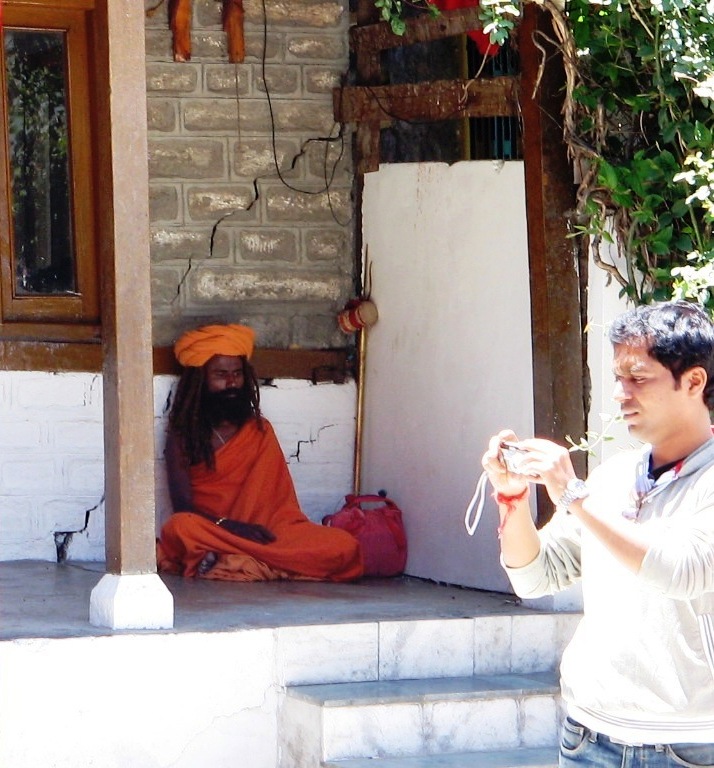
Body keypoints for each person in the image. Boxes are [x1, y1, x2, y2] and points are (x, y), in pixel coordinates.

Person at [481, 300, 714, 768]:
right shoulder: (612, 477)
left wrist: (572, 494)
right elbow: (535, 578)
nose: (621, 394)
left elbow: (682, 571)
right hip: (587, 736)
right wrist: (511, 500)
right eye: (618, 379)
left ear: (693, 381)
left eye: (638, 378)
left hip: (688, 745)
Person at [157, 323, 364, 582]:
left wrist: (253, 532)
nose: (231, 383)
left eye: (237, 374)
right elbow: (183, 509)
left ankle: (234, 560)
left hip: (266, 534)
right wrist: (231, 526)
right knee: (179, 528)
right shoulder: (183, 435)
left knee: (344, 546)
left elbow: (281, 511)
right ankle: (246, 559)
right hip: (214, 529)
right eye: (221, 374)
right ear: (200, 380)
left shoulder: (260, 430)